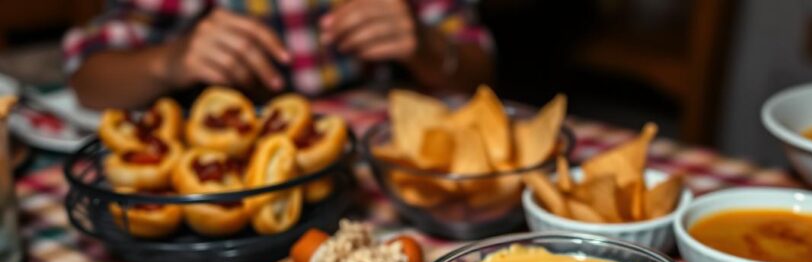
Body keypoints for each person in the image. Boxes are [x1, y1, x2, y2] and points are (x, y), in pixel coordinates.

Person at [63, 0, 494, 109]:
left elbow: (479, 67)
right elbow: (89, 78)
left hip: (373, 150)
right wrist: (170, 62)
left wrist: (426, 45)